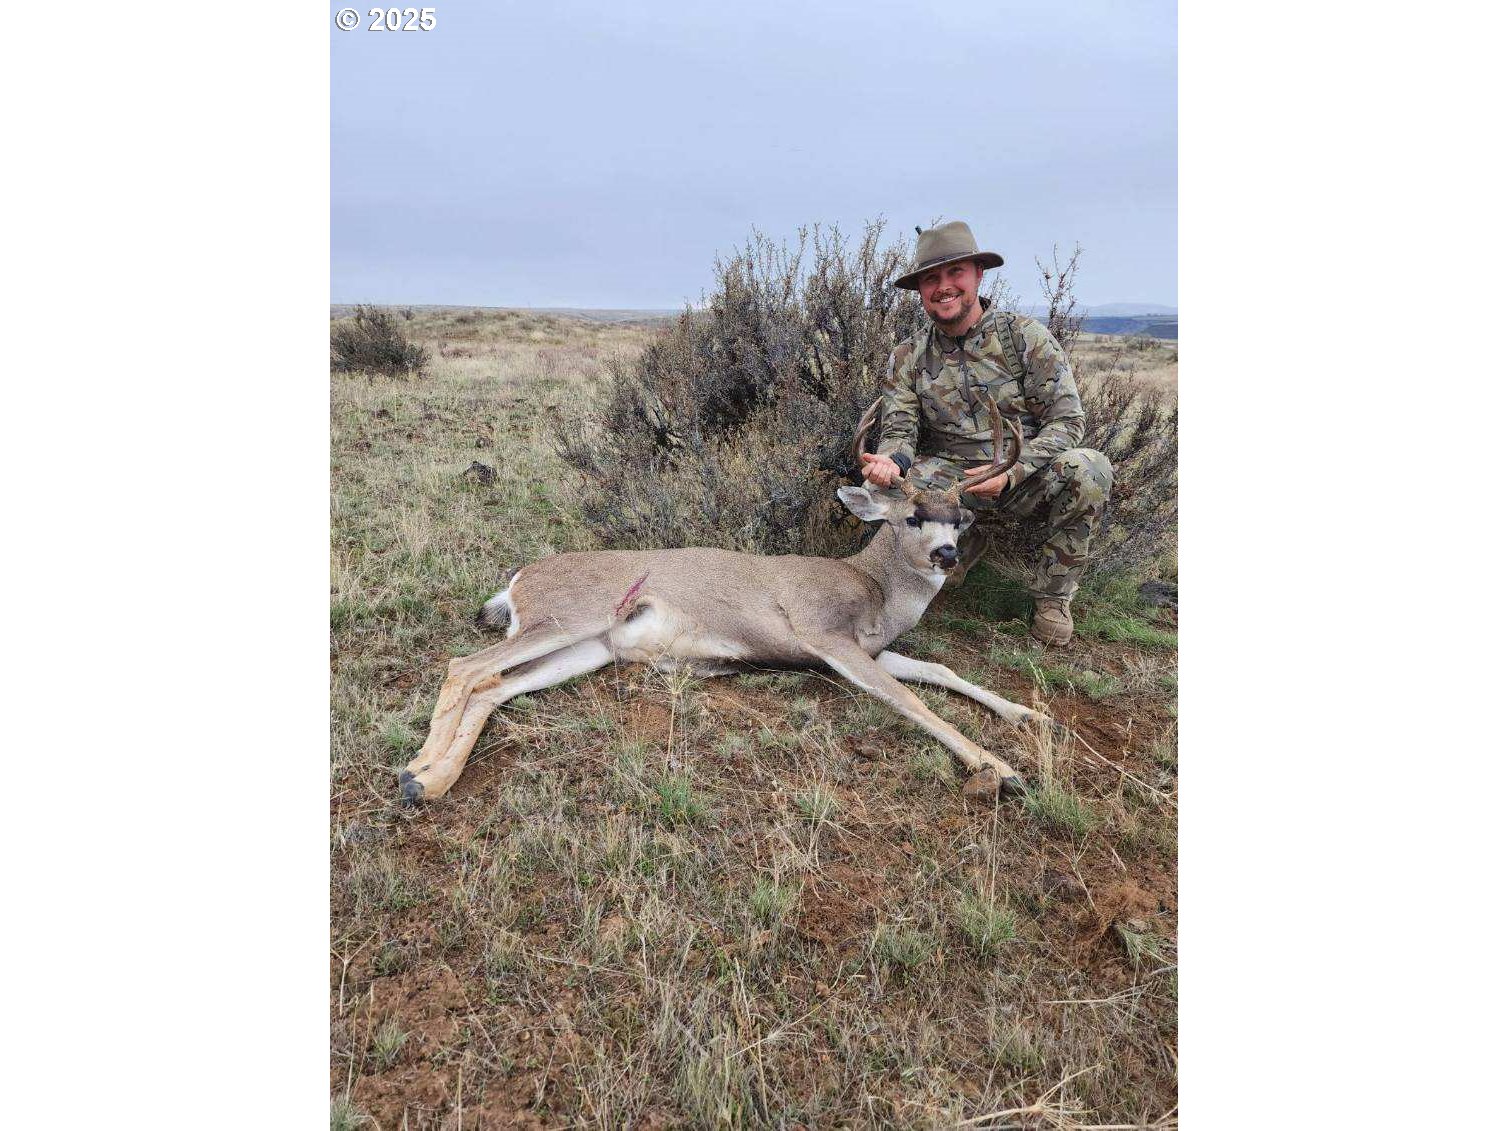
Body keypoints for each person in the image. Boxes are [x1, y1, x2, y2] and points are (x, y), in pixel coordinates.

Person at [859, 221, 1113, 646]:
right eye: (931, 278)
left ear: (978, 274)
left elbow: (1068, 422)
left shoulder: (1024, 338)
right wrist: (891, 462)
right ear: (920, 290)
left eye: (955, 273)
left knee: (1090, 469)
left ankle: (1053, 597)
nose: (944, 287)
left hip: (1022, 473)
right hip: (948, 479)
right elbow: (900, 429)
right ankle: (944, 557)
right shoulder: (907, 355)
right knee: (881, 494)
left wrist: (1013, 471)